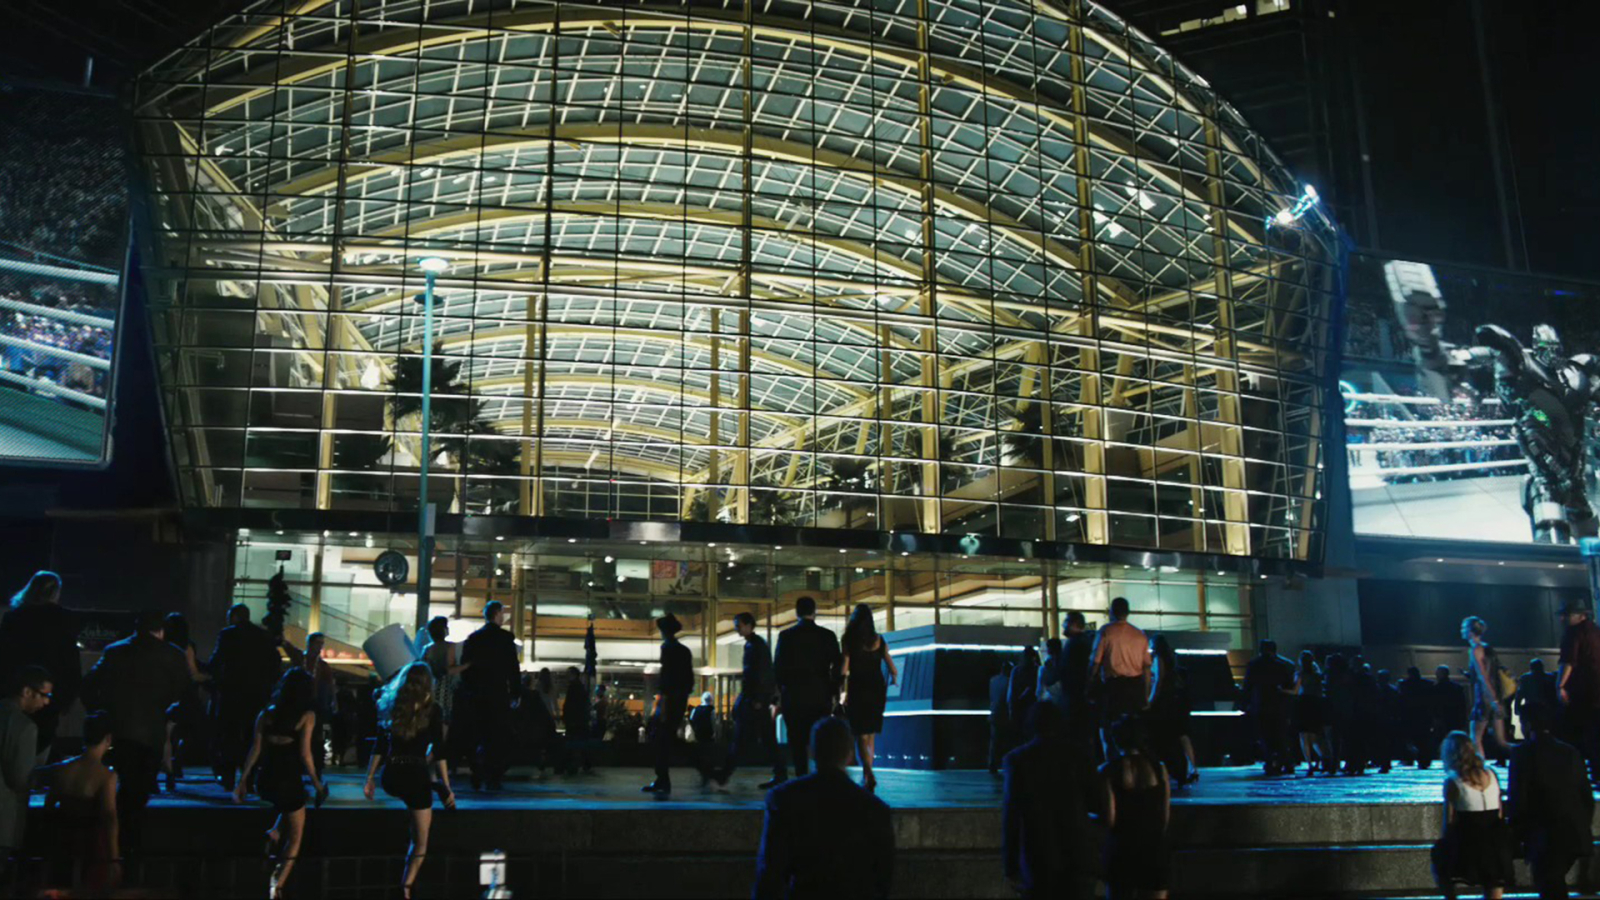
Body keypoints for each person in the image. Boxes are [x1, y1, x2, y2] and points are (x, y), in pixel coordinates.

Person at [82, 609, 190, 856]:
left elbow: (88, 686)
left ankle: (112, 844)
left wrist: (101, 713)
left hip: (119, 730)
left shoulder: (115, 651)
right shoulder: (173, 655)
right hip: (151, 732)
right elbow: (184, 694)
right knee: (138, 791)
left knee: (121, 786)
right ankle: (128, 846)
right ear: (161, 631)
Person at [752, 717, 894, 900]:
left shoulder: (783, 799)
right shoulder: (876, 810)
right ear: (849, 754)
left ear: (812, 752)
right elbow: (882, 880)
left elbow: (770, 874)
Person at [364, 662, 455, 900]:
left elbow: (379, 746)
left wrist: (369, 778)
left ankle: (404, 881)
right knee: (421, 842)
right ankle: (405, 887)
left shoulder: (392, 706)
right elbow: (440, 752)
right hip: (416, 776)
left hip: (392, 775)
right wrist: (447, 786)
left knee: (413, 813)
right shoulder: (432, 710)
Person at [234, 668, 327, 900]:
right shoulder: (307, 716)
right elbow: (305, 755)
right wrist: (317, 783)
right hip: (289, 778)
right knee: (296, 836)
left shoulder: (266, 714)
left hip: (266, 779)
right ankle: (277, 885)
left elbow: (255, 749)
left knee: (291, 805)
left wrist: (242, 780)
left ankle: (274, 832)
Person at [1003, 702, 1095, 900]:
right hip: (1077, 849)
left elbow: (1012, 815)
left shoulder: (1017, 759)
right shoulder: (1080, 755)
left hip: (1038, 851)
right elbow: (1095, 802)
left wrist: (1010, 864)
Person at [1507, 704, 1593, 900]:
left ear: (1528, 725)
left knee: (1548, 884)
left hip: (1543, 835)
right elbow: (1585, 795)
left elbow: (1518, 796)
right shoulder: (1570, 751)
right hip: (1573, 831)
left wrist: (1518, 833)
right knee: (1554, 882)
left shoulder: (1522, 754)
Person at [0, 571, 81, 759]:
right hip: (49, 694)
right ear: (56, 592)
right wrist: (67, 697)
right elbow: (70, 661)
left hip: (16, 691)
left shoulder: (14, 618)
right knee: (41, 745)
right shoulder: (64, 619)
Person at [207, 603, 283, 791]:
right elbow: (275, 664)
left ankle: (228, 776)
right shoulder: (264, 636)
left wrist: (212, 677)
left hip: (232, 693)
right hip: (257, 694)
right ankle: (249, 777)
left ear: (234, 617)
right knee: (253, 736)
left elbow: (216, 661)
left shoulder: (228, 635)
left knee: (229, 734)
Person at [43, 711, 120, 894]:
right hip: (91, 847)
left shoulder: (62, 769)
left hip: (63, 843)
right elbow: (110, 817)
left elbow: (49, 807)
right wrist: (114, 859)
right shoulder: (106, 776)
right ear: (108, 739)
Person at [1431, 731, 1513, 900]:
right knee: (1494, 876)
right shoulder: (1491, 774)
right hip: (1495, 838)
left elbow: (1448, 821)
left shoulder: (1453, 781)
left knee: (1440, 860)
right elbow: (1499, 812)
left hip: (1468, 838)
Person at [1099, 715, 1171, 900]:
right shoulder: (1159, 768)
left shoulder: (1108, 771)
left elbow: (1110, 818)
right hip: (1153, 848)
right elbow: (1165, 814)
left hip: (1122, 848)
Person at [773, 595, 841, 778]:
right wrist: (834, 690)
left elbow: (778, 667)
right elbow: (837, 665)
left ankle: (801, 776)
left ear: (796, 613)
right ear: (814, 612)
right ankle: (821, 775)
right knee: (820, 738)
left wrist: (780, 693)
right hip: (821, 695)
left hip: (794, 697)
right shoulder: (827, 636)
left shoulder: (786, 636)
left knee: (797, 741)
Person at [716, 612, 785, 789]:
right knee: (766, 738)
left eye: (738, 625)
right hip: (756, 700)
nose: (736, 629)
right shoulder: (756, 645)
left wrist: (757, 698)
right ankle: (780, 773)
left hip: (754, 701)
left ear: (748, 625)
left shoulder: (754, 646)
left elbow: (759, 674)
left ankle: (725, 773)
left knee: (743, 738)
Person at [458, 600, 520, 791]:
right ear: (497, 614)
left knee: (479, 734)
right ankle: (494, 775)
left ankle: (477, 772)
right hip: (498, 693)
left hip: (478, 694)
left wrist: (470, 688)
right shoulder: (505, 639)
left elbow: (466, 668)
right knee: (498, 736)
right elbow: (513, 668)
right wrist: (515, 692)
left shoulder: (474, 638)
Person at [0, 666, 50, 878]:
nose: (46, 702)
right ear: (27, 691)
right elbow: (20, 779)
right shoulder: (25, 727)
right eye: (45, 695)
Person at [840, 604, 897, 793]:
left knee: (860, 734)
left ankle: (868, 773)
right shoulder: (878, 640)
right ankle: (868, 772)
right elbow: (892, 668)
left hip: (858, 688)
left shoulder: (849, 639)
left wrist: (841, 688)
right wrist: (893, 679)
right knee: (870, 735)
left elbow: (844, 669)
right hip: (876, 689)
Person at [644, 613, 700, 794]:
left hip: (669, 701)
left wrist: (662, 703)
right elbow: (689, 681)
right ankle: (702, 767)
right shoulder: (684, 650)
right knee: (669, 739)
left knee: (662, 740)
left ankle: (663, 779)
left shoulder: (667, 648)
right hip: (679, 700)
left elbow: (666, 679)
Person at [1090, 598, 1150, 755]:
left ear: (1111, 612)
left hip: (1114, 686)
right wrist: (1146, 694)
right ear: (1128, 612)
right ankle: (1135, 760)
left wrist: (1090, 682)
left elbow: (1095, 661)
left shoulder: (1106, 631)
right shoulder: (1139, 635)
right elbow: (1146, 667)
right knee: (1134, 730)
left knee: (1108, 729)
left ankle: (1113, 761)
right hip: (1135, 687)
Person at [161, 612, 208, 792]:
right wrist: (209, 678)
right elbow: (193, 673)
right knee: (189, 733)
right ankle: (177, 761)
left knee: (167, 735)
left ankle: (169, 772)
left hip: (165, 692)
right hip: (185, 694)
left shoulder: (162, 645)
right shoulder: (186, 646)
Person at [1556, 599, 1600, 786]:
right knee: (1595, 734)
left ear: (1578, 615)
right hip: (1597, 690)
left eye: (1566, 615)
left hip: (1581, 692)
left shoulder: (1573, 633)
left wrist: (1560, 685)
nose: (1563, 619)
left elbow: (1569, 661)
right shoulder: (1596, 631)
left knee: (1577, 734)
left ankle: (1576, 775)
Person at [283, 631, 338, 776]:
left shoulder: (323, 666)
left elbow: (330, 685)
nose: (320, 647)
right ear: (310, 644)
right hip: (300, 703)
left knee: (318, 735)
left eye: (321, 644)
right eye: (317, 643)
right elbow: (288, 647)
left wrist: (333, 702)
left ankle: (318, 764)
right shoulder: (301, 658)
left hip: (316, 704)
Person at [416, 617, 467, 762]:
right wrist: (467, 665)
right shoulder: (450, 647)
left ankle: (425, 761)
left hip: (427, 692)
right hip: (444, 692)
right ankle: (428, 761)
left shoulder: (426, 649)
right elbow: (449, 670)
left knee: (428, 729)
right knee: (442, 731)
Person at [1241, 640, 1294, 775]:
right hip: (1279, 705)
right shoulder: (1283, 665)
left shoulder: (1253, 665)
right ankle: (1285, 762)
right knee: (1281, 736)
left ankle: (1270, 762)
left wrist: (1245, 704)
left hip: (1261, 705)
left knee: (1265, 736)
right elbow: (1289, 686)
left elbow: (1247, 686)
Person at [1147, 634, 1195, 786]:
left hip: (1163, 702)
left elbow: (1158, 681)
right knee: (1179, 736)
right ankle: (1188, 768)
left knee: (1162, 737)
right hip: (1175, 702)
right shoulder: (1172, 659)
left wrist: (1150, 700)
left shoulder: (1158, 659)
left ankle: (1169, 770)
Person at [1462, 617, 1509, 759]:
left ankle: (1480, 768)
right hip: (1496, 695)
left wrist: (1492, 699)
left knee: (1475, 738)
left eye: (1464, 628)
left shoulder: (1475, 650)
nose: (1461, 631)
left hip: (1484, 697)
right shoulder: (1488, 648)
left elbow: (1483, 677)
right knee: (1501, 741)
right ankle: (1527, 755)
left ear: (1470, 632)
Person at [1291, 650, 1330, 775]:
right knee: (1314, 737)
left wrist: (1282, 690)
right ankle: (1324, 758)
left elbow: (1295, 691)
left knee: (1304, 737)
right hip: (1315, 705)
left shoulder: (1300, 674)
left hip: (1303, 704)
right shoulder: (1317, 675)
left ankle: (1309, 764)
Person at [1061, 612, 1095, 743]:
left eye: (1066, 622)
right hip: (1082, 698)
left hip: (1074, 699)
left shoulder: (1074, 644)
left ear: (1074, 624)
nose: (1063, 625)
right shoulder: (1086, 642)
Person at [1399, 666, 1436, 769]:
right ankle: (1424, 760)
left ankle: (1411, 759)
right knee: (1424, 740)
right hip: (1424, 717)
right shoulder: (1427, 684)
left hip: (1410, 716)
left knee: (1412, 739)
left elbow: (1402, 701)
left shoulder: (1405, 685)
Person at [1515, 659, 1559, 739]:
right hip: (1546, 708)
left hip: (1531, 708)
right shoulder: (1550, 678)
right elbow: (1554, 695)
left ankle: (1528, 742)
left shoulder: (1525, 678)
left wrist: (1517, 708)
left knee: (1529, 729)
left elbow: (1519, 694)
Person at [562, 666, 594, 774]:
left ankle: (573, 765)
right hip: (580, 721)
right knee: (581, 744)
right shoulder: (580, 687)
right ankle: (585, 764)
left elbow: (570, 706)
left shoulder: (573, 687)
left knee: (573, 744)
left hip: (574, 722)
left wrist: (567, 718)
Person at [1009, 647, 1041, 741]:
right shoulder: (1037, 670)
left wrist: (1011, 708)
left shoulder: (1016, 670)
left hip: (1017, 707)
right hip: (1031, 705)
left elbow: (1011, 691)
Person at [1435, 665, 1470, 737]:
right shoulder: (1457, 687)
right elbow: (1463, 705)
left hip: (1442, 720)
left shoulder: (1436, 688)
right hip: (1456, 719)